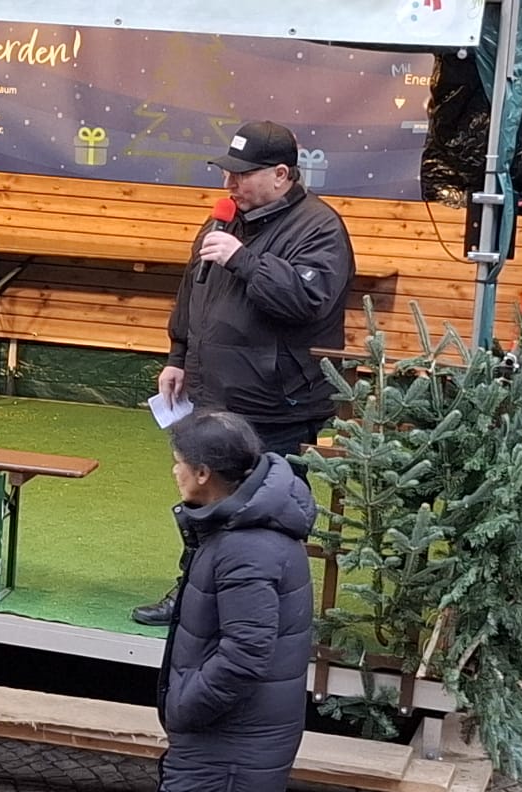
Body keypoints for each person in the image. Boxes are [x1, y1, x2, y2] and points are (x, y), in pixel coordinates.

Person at [135, 119, 355, 627]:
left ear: (281, 174)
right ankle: (192, 594)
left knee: (269, 510)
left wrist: (246, 261)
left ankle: (265, 610)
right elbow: (194, 292)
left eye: (242, 175)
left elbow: (308, 301)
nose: (229, 186)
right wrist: (177, 355)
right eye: (227, 174)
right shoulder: (222, 222)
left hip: (277, 405)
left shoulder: (319, 228)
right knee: (203, 498)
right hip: (212, 392)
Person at [147, 410, 313, 792]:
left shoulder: (245, 547)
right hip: (238, 738)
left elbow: (246, 653)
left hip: (226, 740)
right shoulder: (240, 526)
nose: (173, 473)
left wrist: (185, 705)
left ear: (202, 474)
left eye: (178, 464)